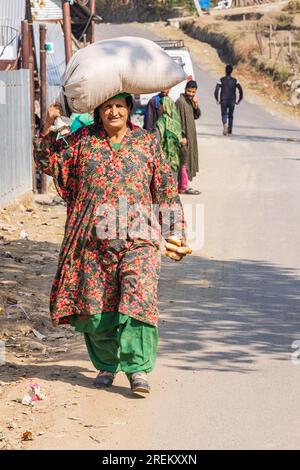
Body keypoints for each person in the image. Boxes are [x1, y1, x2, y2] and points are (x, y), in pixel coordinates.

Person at [34, 92, 187, 395]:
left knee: (138, 298)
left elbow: (166, 189)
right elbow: (48, 162)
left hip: (138, 238)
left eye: (119, 106)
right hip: (92, 240)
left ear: (130, 109)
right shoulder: (81, 141)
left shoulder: (147, 143)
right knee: (97, 305)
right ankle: (107, 364)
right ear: (98, 112)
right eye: (107, 107)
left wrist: (175, 231)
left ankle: (138, 368)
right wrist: (48, 125)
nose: (113, 112)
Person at [176, 80, 201, 195]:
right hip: (184, 137)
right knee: (184, 161)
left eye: (193, 92)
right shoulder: (180, 102)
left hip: (191, 136)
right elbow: (177, 122)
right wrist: (181, 136)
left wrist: (196, 105)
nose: (191, 94)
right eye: (189, 91)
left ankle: (183, 185)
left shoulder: (190, 101)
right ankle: (183, 186)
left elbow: (196, 116)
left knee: (188, 159)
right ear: (185, 90)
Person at [156, 95, 184, 183]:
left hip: (164, 157)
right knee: (173, 181)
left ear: (165, 106)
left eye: (160, 105)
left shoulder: (161, 122)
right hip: (175, 157)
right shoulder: (176, 121)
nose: (159, 107)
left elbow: (157, 138)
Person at [214, 64, 243, 136]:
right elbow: (241, 91)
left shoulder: (221, 80)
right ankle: (230, 131)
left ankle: (225, 124)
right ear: (231, 71)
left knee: (224, 114)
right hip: (232, 101)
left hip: (223, 100)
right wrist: (239, 100)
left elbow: (216, 90)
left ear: (225, 71)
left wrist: (217, 99)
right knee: (230, 115)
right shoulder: (235, 81)